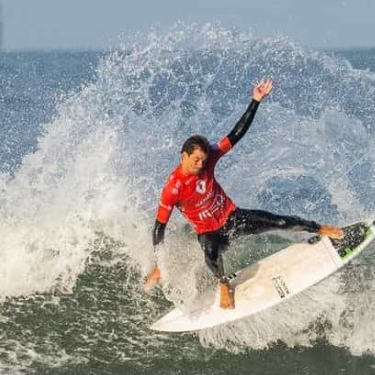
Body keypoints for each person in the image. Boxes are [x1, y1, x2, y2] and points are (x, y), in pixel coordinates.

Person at [143, 78, 344, 309]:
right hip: (210, 233)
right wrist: (160, 264)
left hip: (233, 218)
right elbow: (159, 228)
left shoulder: (209, 160)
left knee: (279, 220)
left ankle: (319, 228)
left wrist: (255, 101)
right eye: (196, 159)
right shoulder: (173, 188)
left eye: (203, 160)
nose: (200, 164)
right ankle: (222, 284)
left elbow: (235, 135)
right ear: (183, 156)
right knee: (210, 253)